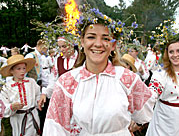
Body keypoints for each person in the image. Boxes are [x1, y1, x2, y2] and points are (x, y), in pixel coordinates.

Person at [42, 7, 155, 135]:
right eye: (91, 37)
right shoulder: (67, 81)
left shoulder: (127, 78)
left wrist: (134, 124)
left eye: (105, 38)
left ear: (113, 45)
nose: (98, 44)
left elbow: (145, 113)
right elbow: (55, 128)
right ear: (82, 42)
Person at [0, 54, 41, 136]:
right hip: (17, 119)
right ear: (11, 71)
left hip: (32, 116)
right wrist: (12, 107)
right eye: (18, 69)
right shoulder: (7, 87)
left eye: (24, 68)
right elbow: (3, 106)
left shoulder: (31, 82)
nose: (22, 71)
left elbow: (37, 95)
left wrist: (39, 102)